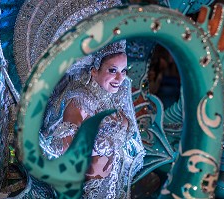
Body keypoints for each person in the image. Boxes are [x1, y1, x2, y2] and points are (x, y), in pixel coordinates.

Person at [39, 40, 145, 199]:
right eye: (112, 70)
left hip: (113, 189)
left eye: (123, 71)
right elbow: (67, 147)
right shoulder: (79, 99)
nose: (120, 78)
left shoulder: (117, 96)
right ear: (94, 71)